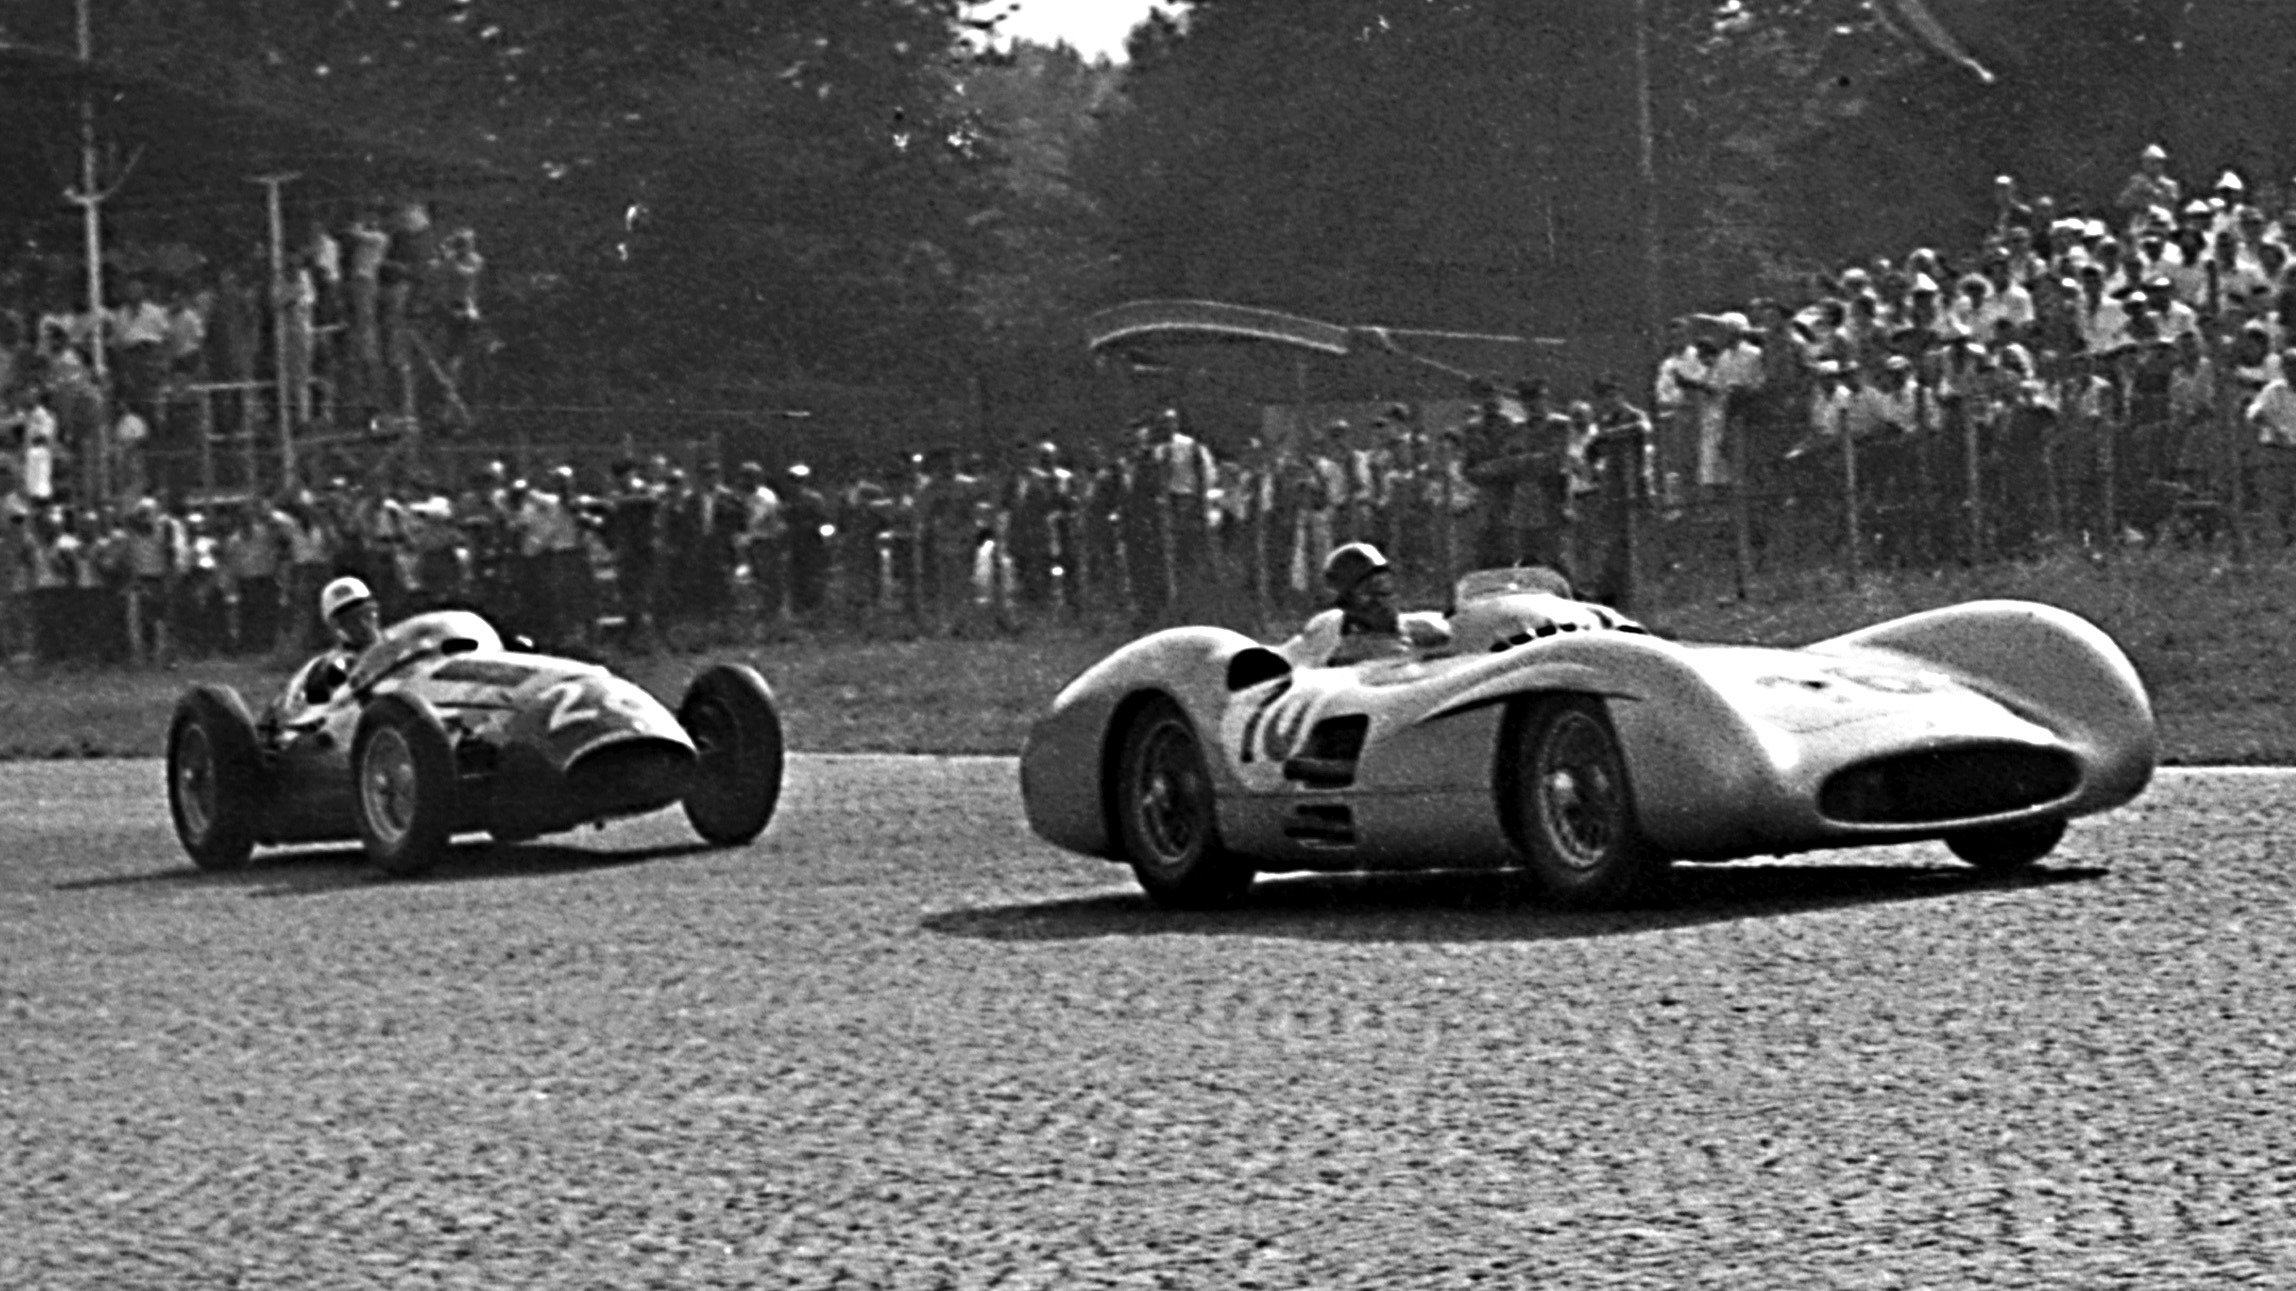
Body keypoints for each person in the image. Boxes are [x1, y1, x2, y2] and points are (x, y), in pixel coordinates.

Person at [1279, 542, 1451, 668]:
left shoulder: (1427, 629)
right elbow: (1283, 661)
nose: (1381, 599)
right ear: (1347, 601)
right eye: (1367, 590)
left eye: (1384, 585)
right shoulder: (1327, 633)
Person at [298, 575, 384, 706]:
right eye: (352, 620)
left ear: (375, 610)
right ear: (336, 627)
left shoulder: (403, 641)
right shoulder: (329, 666)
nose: (364, 625)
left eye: (366, 613)